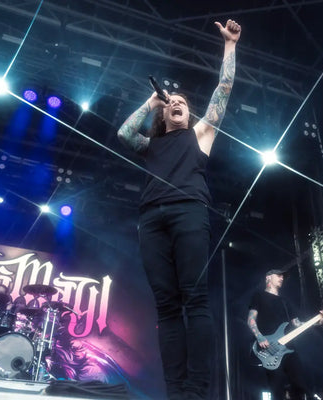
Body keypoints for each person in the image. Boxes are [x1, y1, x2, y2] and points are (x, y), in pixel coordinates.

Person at [117, 18, 241, 400]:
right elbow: (124, 133)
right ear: (163, 113)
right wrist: (151, 101)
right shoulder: (152, 145)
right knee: (166, 305)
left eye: (183, 104)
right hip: (151, 220)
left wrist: (230, 45)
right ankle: (175, 391)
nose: (177, 104)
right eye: (171, 103)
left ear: (189, 114)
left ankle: (196, 391)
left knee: (195, 298)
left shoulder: (201, 134)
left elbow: (223, 89)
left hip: (189, 211)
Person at [247, 269, 323, 400]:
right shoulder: (259, 296)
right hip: (269, 348)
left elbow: (297, 323)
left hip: (288, 348)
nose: (282, 278)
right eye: (278, 275)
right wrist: (260, 337)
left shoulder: (285, 301)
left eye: (283, 276)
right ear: (268, 277)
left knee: (301, 386)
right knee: (277, 390)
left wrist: (318, 321)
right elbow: (251, 320)